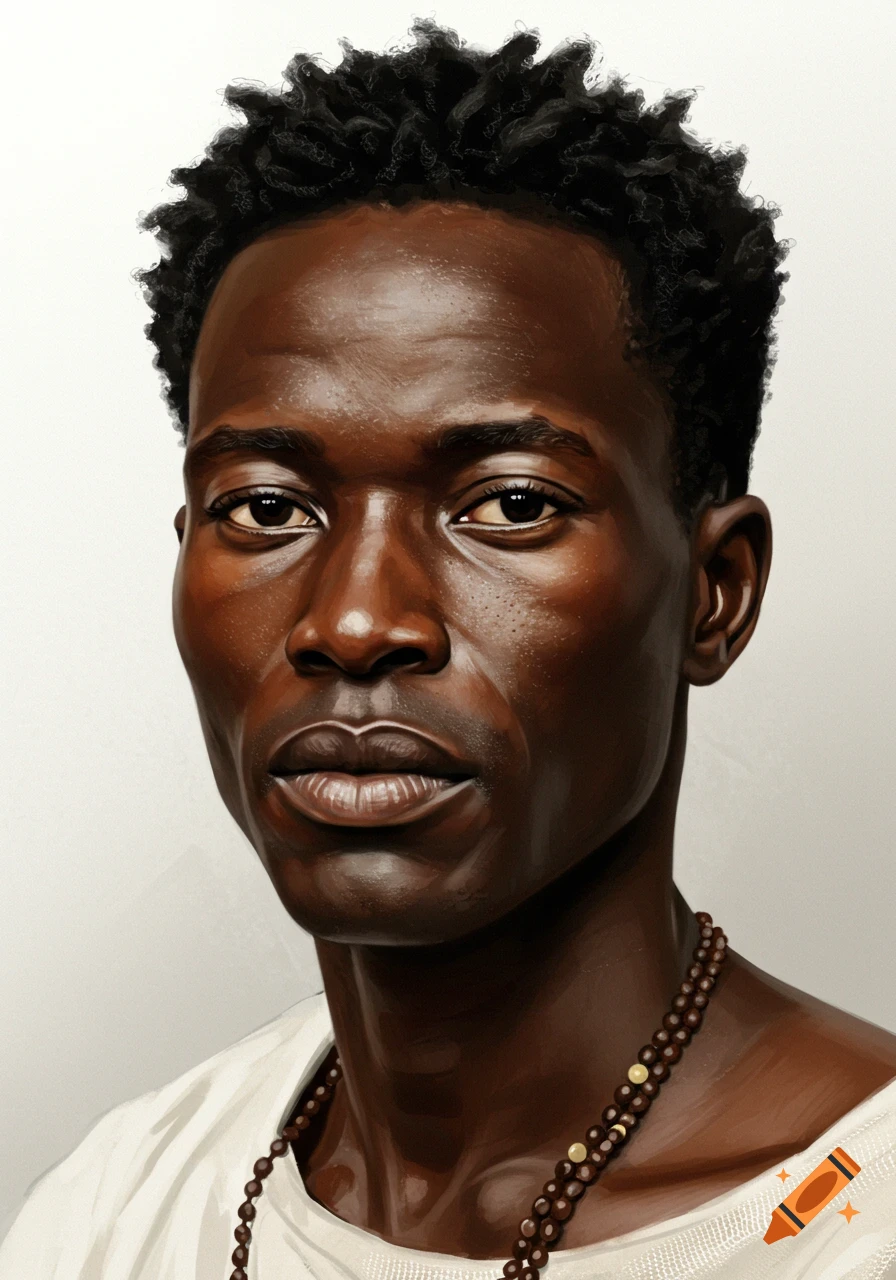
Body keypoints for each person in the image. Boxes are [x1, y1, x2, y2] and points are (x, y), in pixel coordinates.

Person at [3, 20, 895, 1280]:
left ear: (713, 590)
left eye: (510, 504)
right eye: (266, 507)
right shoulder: (114, 1213)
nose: (356, 619)